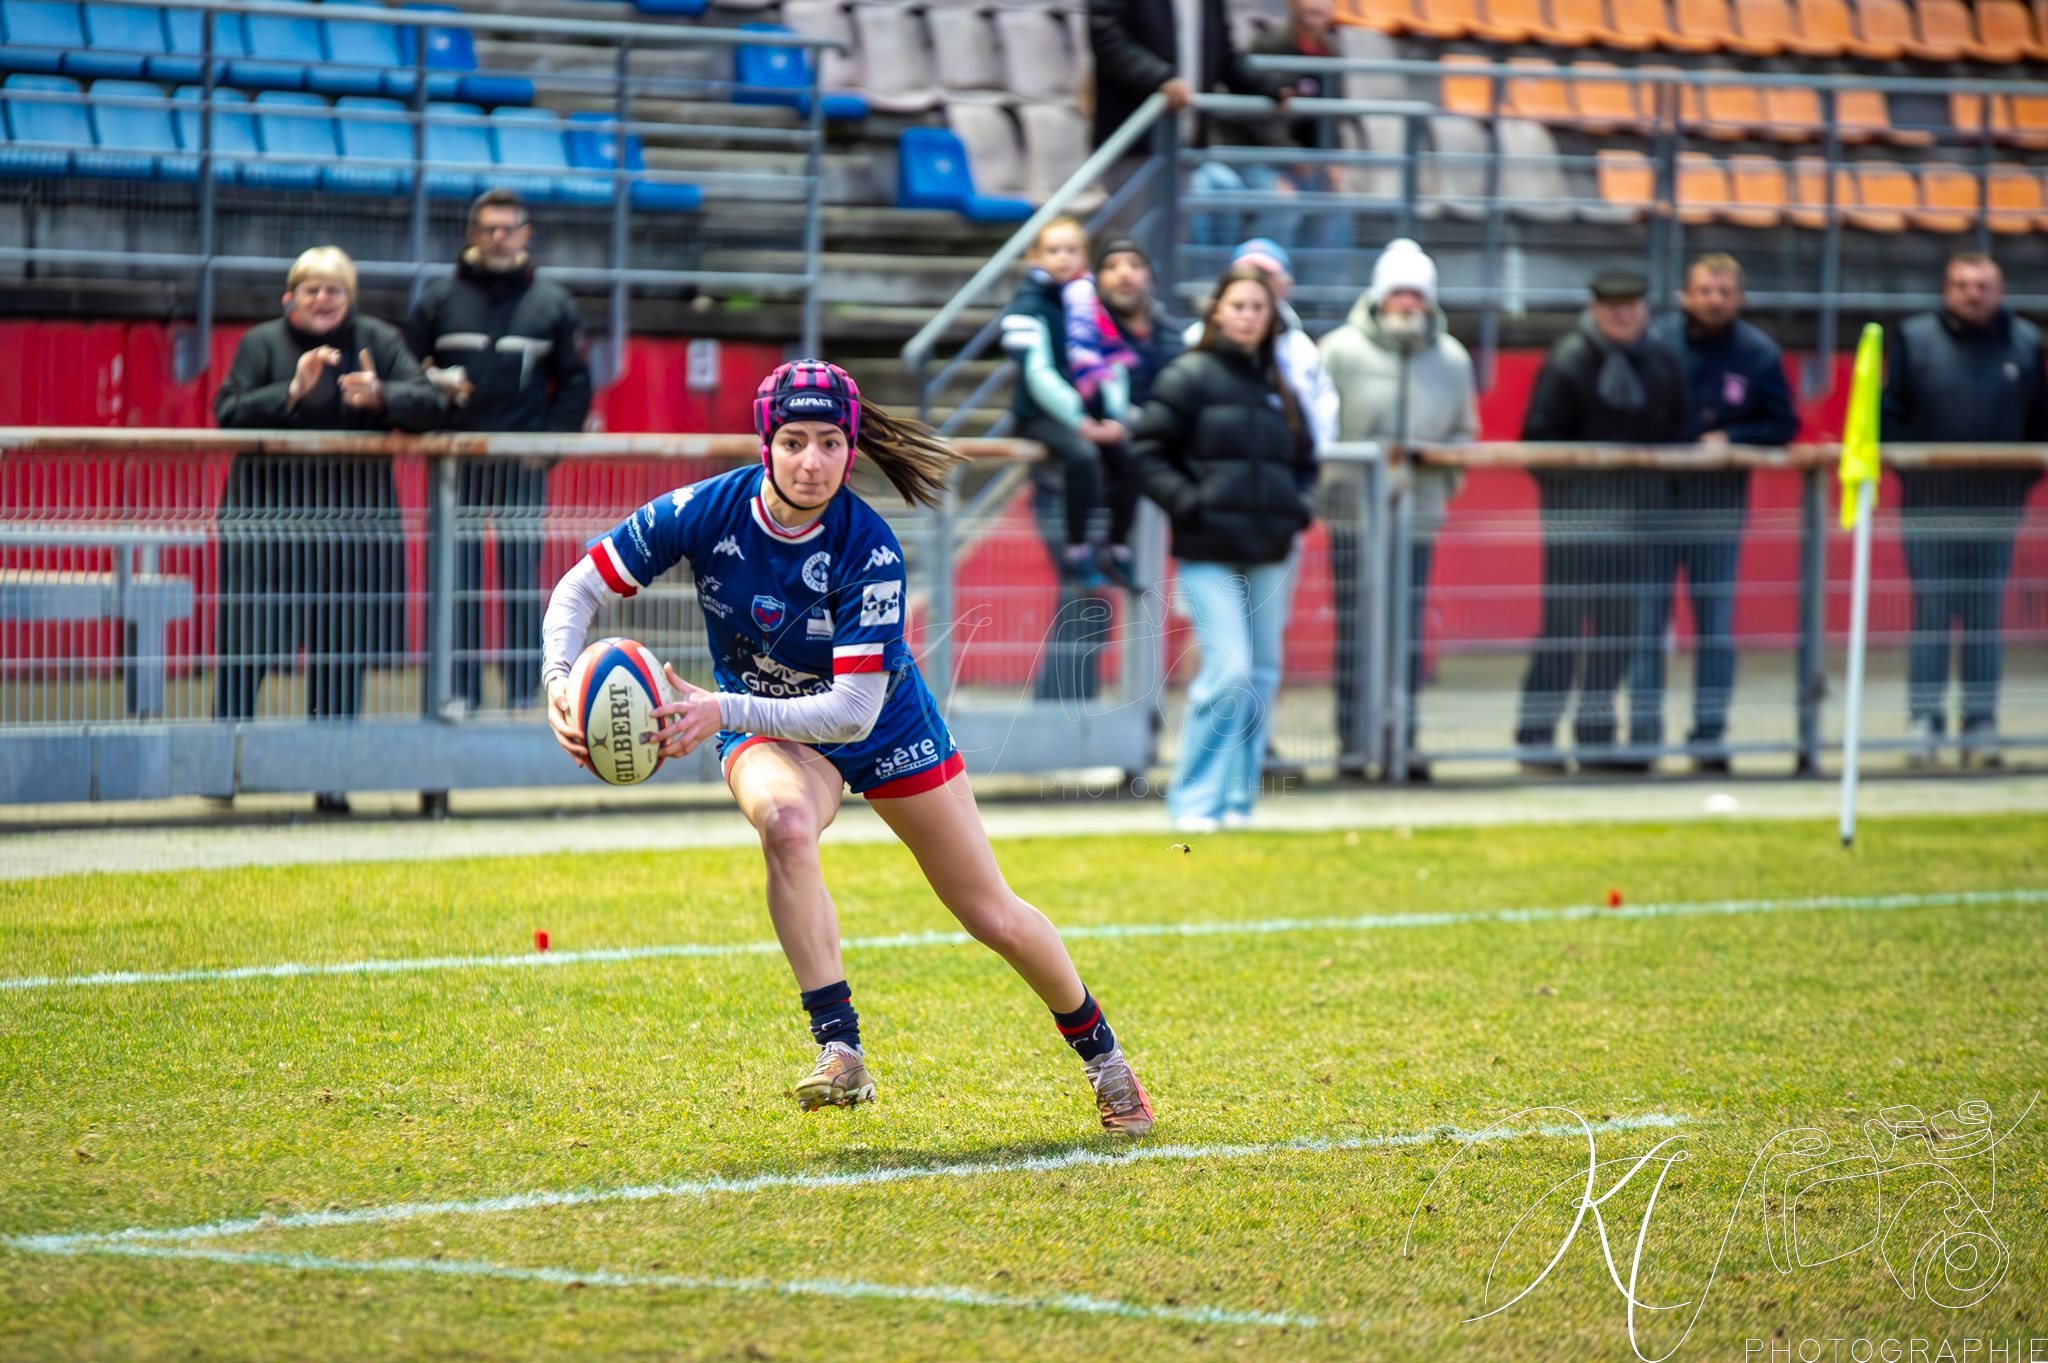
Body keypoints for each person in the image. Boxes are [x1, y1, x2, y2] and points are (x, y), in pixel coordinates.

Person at [539, 360, 1155, 1135]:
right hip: (767, 721)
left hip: (881, 723)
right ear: (765, 444)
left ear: (850, 447)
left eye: (830, 442)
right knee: (787, 825)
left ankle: (1104, 1058)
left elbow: (852, 711)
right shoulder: (707, 508)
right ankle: (841, 1050)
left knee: (988, 911)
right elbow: (579, 587)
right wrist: (560, 680)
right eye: (793, 440)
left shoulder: (868, 546)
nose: (811, 461)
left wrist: (714, 705)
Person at [213, 246, 444, 815]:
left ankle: (331, 775)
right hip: (269, 529)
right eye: (312, 289)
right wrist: (290, 391)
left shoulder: (375, 340)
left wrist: (383, 394)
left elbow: (432, 401)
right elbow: (227, 410)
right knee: (248, 648)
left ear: (350, 298)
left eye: (335, 289)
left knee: (342, 653)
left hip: (351, 534)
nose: (324, 299)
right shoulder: (261, 344)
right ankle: (221, 766)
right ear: (289, 297)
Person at [1130, 265, 1318, 831]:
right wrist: (1189, 503)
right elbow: (1145, 450)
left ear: (1271, 317)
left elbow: (1304, 461)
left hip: (1270, 552)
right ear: (1217, 311)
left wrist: (1294, 508)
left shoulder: (1278, 384)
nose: (1248, 315)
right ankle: (1192, 803)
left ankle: (1237, 802)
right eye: (1237, 305)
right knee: (1229, 672)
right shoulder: (1188, 375)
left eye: (1258, 307)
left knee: (1261, 677)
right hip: (1208, 549)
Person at [407, 190, 592, 717]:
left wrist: (547, 448)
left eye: (508, 228)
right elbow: (406, 370)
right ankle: (459, 691)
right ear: (472, 233)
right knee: (456, 580)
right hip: (455, 464)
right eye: (488, 228)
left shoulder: (551, 304)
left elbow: (576, 384)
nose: (498, 237)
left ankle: (521, 691)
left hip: (520, 464)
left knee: (519, 578)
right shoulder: (439, 300)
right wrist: (430, 407)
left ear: (525, 234)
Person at [1316, 239, 1479, 780]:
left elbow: (1465, 433)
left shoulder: (1452, 358)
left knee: (1406, 632)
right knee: (1355, 629)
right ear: (1380, 295)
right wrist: (1340, 486)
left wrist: (1433, 479)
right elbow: (1318, 430)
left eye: (1417, 293)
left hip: (1418, 518)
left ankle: (1402, 739)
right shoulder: (1338, 350)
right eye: (1399, 291)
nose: (1408, 303)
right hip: (1353, 518)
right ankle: (1353, 741)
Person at [1513, 271, 1686, 772]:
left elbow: (1678, 432)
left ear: (1644, 308)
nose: (1622, 314)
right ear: (1595, 308)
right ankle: (1536, 736)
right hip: (1576, 523)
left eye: (1630, 304)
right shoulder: (1568, 360)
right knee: (1563, 631)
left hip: (1638, 523)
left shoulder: (1660, 362)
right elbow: (1538, 440)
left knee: (1618, 635)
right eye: (1612, 306)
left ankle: (1595, 737)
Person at [1881, 252, 2048, 768]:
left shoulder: (2026, 343)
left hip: (1996, 508)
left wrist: (2016, 484)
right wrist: (1918, 475)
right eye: (1960, 284)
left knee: (1984, 616)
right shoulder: (1914, 338)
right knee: (1930, 613)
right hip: (1928, 507)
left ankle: (1980, 723)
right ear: (1946, 289)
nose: (1971, 293)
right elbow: (1890, 417)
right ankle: (1925, 722)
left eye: (1981, 284)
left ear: (1999, 290)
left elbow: (2040, 423)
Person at [1635, 254, 1799, 772]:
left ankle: (1709, 734)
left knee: (1715, 627)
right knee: (1642, 625)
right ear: (1685, 295)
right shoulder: (1653, 341)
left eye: (1723, 291)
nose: (1713, 300)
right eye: (1704, 290)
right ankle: (1643, 736)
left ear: (1739, 298)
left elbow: (1783, 423)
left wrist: (1731, 439)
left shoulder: (1758, 353)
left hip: (1718, 509)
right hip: (1653, 505)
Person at [1033, 238, 1189, 704]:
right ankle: (1061, 718)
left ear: (1151, 278)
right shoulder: (1079, 330)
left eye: (1134, 264)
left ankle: (1107, 726)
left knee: (1114, 598)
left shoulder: (1169, 336)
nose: (1124, 274)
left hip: (1132, 487)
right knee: (1085, 593)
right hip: (1069, 482)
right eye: (1113, 265)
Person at [1000, 217, 1144, 594]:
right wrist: (1081, 421)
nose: (1063, 258)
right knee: (1083, 456)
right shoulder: (1031, 303)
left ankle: (1116, 547)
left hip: (1090, 413)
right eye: (1053, 250)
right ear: (1034, 256)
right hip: (1041, 415)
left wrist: (1113, 417)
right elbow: (1040, 375)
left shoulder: (1088, 300)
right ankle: (1079, 548)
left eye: (1072, 250)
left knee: (1128, 460)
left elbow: (1112, 363)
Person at [1086, 0, 1293, 151]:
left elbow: (1222, 56)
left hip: (1189, 141)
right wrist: (1161, 79)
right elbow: (1107, 40)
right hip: (1136, 139)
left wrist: (1270, 85)